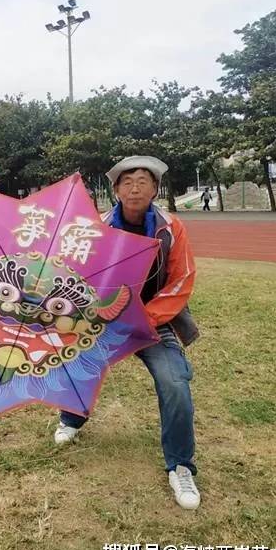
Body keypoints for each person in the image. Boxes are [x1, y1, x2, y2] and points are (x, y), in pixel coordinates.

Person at [53, 156, 202, 510]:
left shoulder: (171, 228)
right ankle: (71, 418)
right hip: (108, 320)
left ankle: (180, 465)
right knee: (77, 358)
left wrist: (147, 317)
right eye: (127, 181)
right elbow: (80, 275)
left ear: (155, 188)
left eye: (143, 181)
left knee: (174, 382)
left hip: (155, 321)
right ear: (116, 189)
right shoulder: (98, 227)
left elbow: (181, 280)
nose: (135, 187)